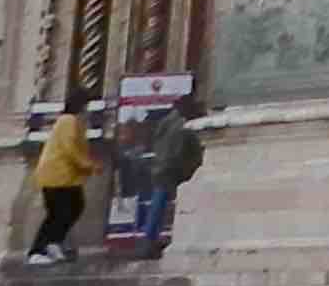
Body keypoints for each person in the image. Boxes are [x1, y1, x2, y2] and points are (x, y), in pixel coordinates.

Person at [110, 98, 201, 258]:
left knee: (158, 202)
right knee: (162, 202)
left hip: (162, 166)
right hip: (171, 168)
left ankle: (149, 238)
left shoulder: (166, 121)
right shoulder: (182, 125)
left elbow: (158, 142)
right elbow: (180, 149)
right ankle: (150, 239)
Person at [21, 97, 101, 266]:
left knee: (72, 208)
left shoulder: (72, 123)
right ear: (81, 107)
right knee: (59, 213)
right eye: (86, 107)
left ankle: (53, 243)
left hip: (64, 178)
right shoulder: (68, 121)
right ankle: (38, 250)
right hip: (57, 177)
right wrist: (89, 166)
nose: (87, 111)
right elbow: (69, 148)